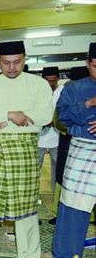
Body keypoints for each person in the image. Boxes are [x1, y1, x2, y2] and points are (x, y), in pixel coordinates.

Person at [0, 41, 54, 258]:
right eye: (6, 63)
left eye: (17, 62)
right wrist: (12, 115)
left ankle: (29, 254)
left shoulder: (38, 84)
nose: (11, 67)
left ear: (25, 58)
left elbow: (45, 115)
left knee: (25, 203)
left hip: (25, 149)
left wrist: (6, 120)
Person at [51, 43, 96, 258]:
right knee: (72, 206)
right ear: (89, 64)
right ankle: (65, 257)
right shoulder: (74, 88)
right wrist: (88, 103)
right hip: (82, 149)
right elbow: (62, 118)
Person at [50, 66, 90, 225]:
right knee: (64, 177)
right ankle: (59, 213)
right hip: (69, 143)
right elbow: (59, 120)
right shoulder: (67, 92)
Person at [38, 66, 61, 193]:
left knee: (57, 169)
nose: (51, 84)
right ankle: (32, 196)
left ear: (58, 78)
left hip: (57, 138)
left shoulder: (63, 92)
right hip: (39, 138)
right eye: (48, 81)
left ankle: (55, 195)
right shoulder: (38, 92)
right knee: (34, 168)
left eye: (53, 81)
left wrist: (55, 121)